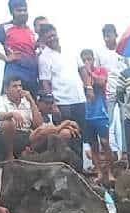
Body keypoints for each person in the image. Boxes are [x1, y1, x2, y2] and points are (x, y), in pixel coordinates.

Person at [37, 24, 87, 161]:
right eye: (48, 37)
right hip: (62, 102)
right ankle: (67, 167)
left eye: (53, 35)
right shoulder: (44, 57)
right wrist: (52, 104)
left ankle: (80, 167)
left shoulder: (71, 49)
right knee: (66, 136)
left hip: (79, 99)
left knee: (79, 134)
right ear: (43, 39)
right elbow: (45, 82)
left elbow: (82, 69)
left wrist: (88, 87)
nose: (52, 38)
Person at [0, 0, 39, 95]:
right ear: (12, 12)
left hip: (32, 80)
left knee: (31, 109)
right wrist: (5, 58)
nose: (22, 13)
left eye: (24, 10)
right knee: (12, 109)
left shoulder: (30, 31)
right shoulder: (5, 28)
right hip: (14, 79)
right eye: (19, 10)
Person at [94, 25, 129, 162]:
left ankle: (125, 152)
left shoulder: (123, 50)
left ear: (116, 34)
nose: (109, 38)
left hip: (123, 89)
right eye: (106, 35)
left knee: (124, 120)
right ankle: (106, 150)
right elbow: (96, 72)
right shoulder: (99, 53)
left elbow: (128, 69)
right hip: (107, 90)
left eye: (111, 34)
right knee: (106, 121)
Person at [80, 49, 113, 183]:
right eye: (84, 60)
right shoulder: (79, 75)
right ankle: (99, 172)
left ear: (94, 59)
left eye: (89, 59)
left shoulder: (101, 70)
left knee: (105, 143)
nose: (87, 62)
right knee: (93, 145)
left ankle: (110, 171)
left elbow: (102, 81)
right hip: (87, 115)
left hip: (101, 113)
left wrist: (89, 72)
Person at [0, 76, 41, 160]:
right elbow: (0, 116)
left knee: (47, 130)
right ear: (6, 89)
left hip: (26, 135)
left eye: (20, 86)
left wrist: (31, 101)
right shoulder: (1, 100)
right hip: (8, 136)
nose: (19, 89)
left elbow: (38, 125)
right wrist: (12, 114)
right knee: (7, 123)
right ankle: (9, 156)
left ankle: (29, 152)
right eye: (15, 86)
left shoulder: (26, 102)